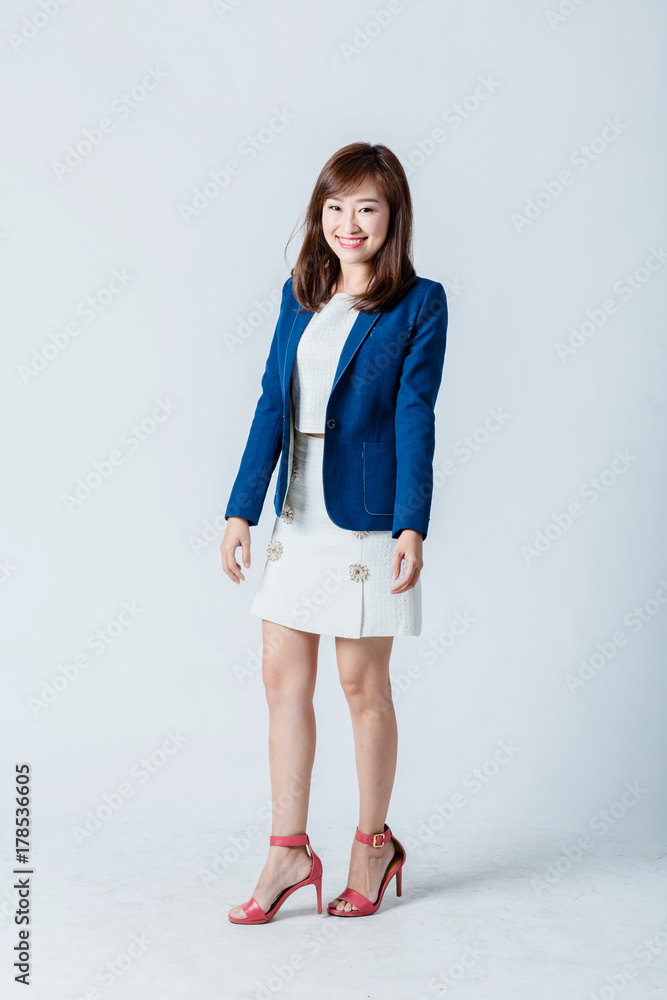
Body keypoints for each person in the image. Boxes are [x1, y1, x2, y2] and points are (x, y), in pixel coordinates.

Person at [221, 142, 448, 922]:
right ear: (320, 214)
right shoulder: (299, 294)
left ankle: (371, 843)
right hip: (297, 514)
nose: (348, 224)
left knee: (360, 685)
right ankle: (288, 852)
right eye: (334, 207)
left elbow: (416, 415)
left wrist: (411, 525)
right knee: (280, 677)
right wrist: (239, 508)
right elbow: (267, 403)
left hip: (365, 520)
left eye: (366, 208)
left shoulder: (419, 304)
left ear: (392, 218)